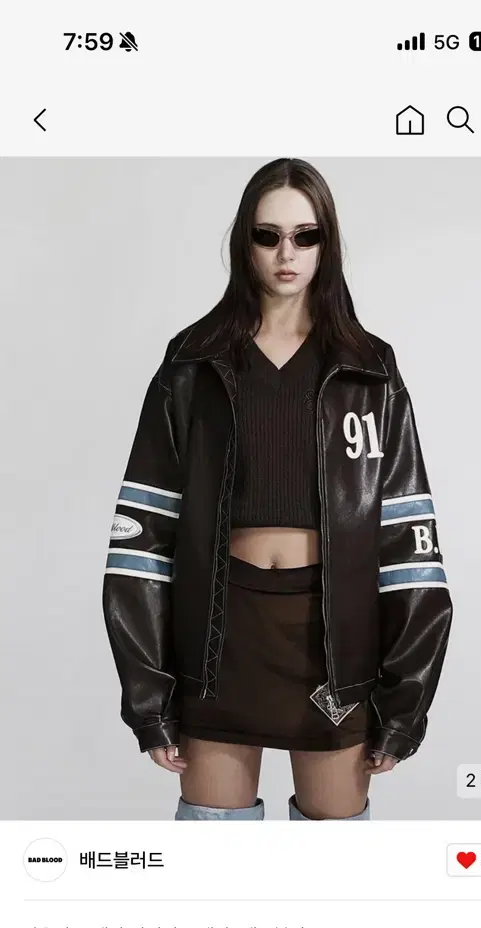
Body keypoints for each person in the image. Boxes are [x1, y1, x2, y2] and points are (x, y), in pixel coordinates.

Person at [103, 157, 453, 821]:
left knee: (334, 855)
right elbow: (141, 541)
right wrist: (149, 698)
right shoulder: (193, 362)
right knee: (215, 849)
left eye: (305, 235)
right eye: (268, 236)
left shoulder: (369, 368)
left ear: (327, 242)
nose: (286, 254)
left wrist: (405, 703)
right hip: (218, 640)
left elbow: (411, 546)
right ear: (245, 243)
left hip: (334, 643)